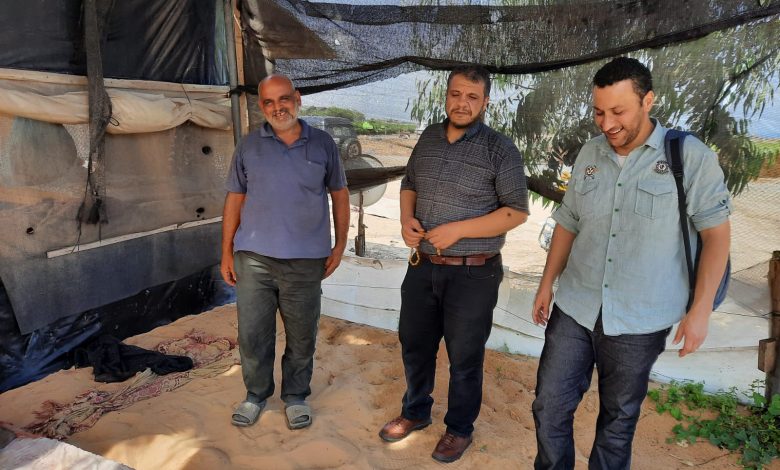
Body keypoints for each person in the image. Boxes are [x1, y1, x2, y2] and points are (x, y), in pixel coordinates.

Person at [531, 57, 731, 469]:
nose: (607, 124)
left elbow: (716, 236)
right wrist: (546, 283)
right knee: (549, 406)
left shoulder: (688, 157)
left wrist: (700, 310)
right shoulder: (590, 152)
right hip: (576, 306)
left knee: (617, 421)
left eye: (618, 111)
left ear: (648, 101)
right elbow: (568, 221)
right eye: (598, 112)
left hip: (640, 320)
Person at [378, 65, 529, 463]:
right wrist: (406, 220)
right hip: (422, 264)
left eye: (472, 97)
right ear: (446, 96)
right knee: (414, 344)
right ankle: (416, 411)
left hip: (473, 272)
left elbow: (516, 212)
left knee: (464, 357)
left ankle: (459, 429)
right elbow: (410, 183)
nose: (462, 103)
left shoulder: (501, 149)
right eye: (456, 94)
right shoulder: (429, 136)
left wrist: (459, 230)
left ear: (485, 102)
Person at [221, 74, 349, 430]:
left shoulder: (323, 144)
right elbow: (235, 198)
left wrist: (340, 244)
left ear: (298, 98)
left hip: (306, 260)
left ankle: (295, 396)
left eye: (284, 99)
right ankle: (255, 395)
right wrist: (226, 251)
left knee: (302, 334)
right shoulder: (249, 146)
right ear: (261, 106)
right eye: (269, 102)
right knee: (253, 334)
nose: (278, 108)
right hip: (253, 258)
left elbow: (339, 195)